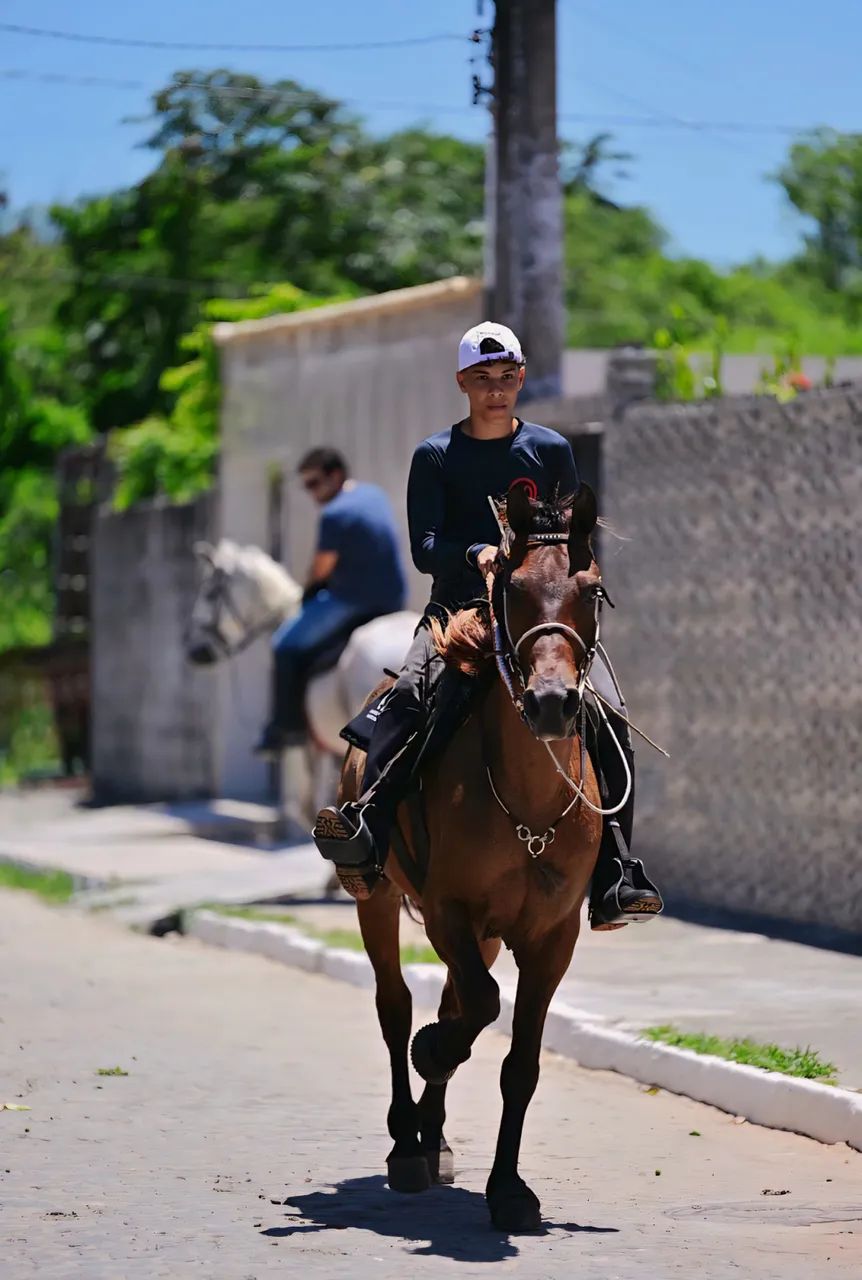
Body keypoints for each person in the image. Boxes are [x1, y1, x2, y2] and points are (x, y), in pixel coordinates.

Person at [313, 323, 663, 928]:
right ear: (462, 384)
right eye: (482, 380)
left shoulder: (550, 450)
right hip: (458, 613)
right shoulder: (436, 456)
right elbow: (424, 547)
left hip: (539, 617)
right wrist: (475, 553)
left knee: (610, 719)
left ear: (521, 378)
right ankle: (368, 828)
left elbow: (568, 536)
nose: (496, 391)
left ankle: (616, 872)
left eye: (506, 378)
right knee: (406, 701)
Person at [254, 447, 407, 755]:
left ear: (335, 475)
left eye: (314, 484)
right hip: (393, 597)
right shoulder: (372, 495)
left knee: (283, 644)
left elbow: (322, 568)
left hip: (352, 599)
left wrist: (307, 589)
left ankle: (287, 727)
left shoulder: (334, 513)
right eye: (306, 486)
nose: (311, 493)